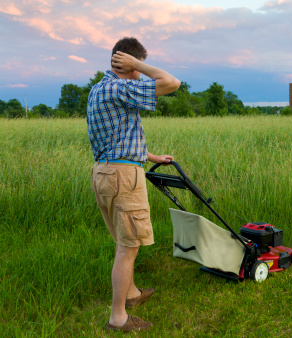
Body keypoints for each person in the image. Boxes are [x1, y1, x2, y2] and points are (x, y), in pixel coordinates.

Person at [87, 37, 181, 332]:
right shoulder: (120, 86)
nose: (139, 73)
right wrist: (137, 64)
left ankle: (132, 294)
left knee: (123, 241)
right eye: (136, 66)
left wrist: (151, 156)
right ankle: (118, 318)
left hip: (105, 172)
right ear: (127, 63)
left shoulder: (99, 89)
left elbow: (117, 136)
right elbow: (172, 82)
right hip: (123, 177)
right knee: (128, 247)